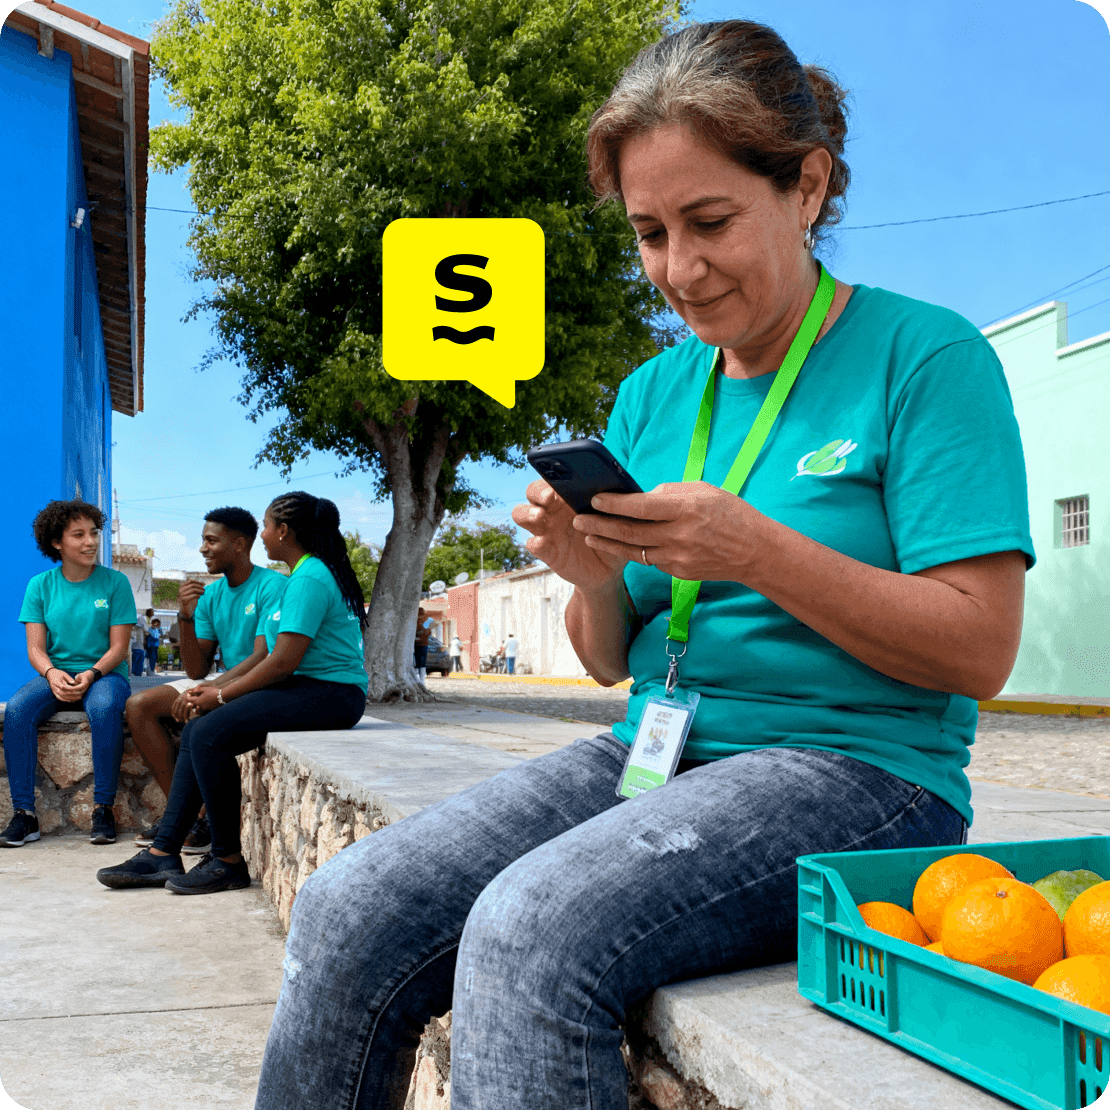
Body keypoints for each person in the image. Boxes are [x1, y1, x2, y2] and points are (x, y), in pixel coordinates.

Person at [249, 21, 1033, 1110]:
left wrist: (755, 549)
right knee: (347, 908)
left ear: (806, 188)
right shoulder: (655, 394)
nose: (681, 269)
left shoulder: (926, 357)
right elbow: (611, 662)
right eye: (651, 232)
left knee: (531, 937)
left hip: (861, 775)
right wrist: (588, 570)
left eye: (710, 221)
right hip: (654, 754)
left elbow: (980, 647)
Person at [97, 492, 369, 896]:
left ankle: (226, 860)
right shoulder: (307, 573)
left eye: (267, 526)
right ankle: (163, 853)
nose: (263, 535)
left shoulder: (307, 577)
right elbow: (268, 663)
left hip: (331, 694)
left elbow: (280, 661)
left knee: (207, 734)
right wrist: (213, 691)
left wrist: (219, 696)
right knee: (198, 731)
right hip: (313, 688)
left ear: (283, 530)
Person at [125, 507, 288, 855]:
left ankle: (202, 824)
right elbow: (196, 669)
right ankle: (187, 818)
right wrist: (185, 616)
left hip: (258, 681)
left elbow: (262, 656)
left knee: (200, 713)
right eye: (203, 540)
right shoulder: (212, 595)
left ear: (240, 544)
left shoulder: (273, 586)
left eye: (211, 540)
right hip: (223, 677)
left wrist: (214, 691)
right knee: (138, 706)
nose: (203, 548)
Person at [0, 500, 135, 848]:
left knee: (104, 709)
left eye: (93, 533)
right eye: (79, 535)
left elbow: (119, 647)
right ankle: (24, 815)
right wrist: (51, 673)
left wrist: (92, 673)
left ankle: (103, 809)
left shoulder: (116, 583)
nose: (90, 541)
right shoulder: (40, 586)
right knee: (17, 710)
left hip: (105, 674)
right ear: (57, 542)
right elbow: (35, 648)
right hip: (55, 673)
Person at [413, 607, 434, 685]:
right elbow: (428, 632)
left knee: (416, 661)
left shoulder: (414, 619)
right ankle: (422, 681)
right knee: (423, 662)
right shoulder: (427, 620)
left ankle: (417, 680)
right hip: (424, 643)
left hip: (415, 643)